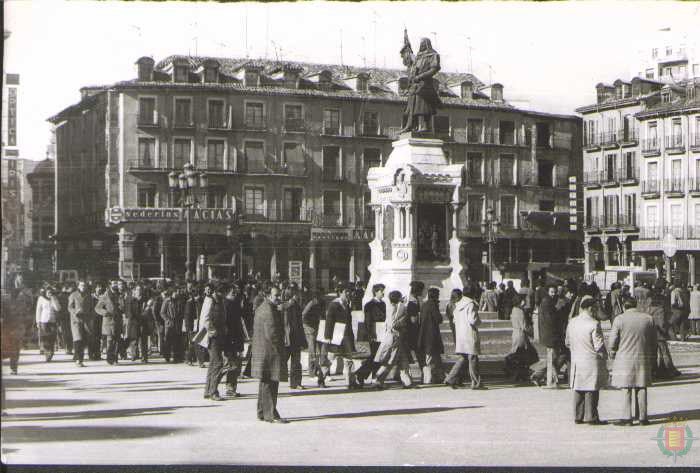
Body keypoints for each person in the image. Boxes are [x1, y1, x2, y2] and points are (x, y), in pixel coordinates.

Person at [609, 298, 656, 426]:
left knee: (626, 387)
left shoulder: (619, 319)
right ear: (636, 305)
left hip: (625, 357)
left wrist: (612, 351)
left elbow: (613, 340)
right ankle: (642, 417)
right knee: (642, 386)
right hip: (643, 356)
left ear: (624, 306)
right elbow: (653, 340)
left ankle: (627, 418)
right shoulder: (648, 319)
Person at [565, 296, 608, 425]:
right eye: (595, 309)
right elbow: (598, 345)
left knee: (578, 387)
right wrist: (605, 357)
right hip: (591, 360)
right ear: (590, 308)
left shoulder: (572, 322)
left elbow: (567, 342)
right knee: (591, 389)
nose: (595, 311)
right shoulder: (594, 324)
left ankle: (578, 416)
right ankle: (591, 416)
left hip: (577, 359)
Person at [251, 285, 289, 423]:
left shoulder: (263, 307)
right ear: (268, 296)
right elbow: (272, 334)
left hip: (263, 351)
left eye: (279, 295)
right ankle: (271, 414)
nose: (279, 298)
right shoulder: (269, 311)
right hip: (270, 352)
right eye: (276, 296)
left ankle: (262, 411)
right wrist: (282, 347)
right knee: (271, 381)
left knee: (265, 382)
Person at [398, 33, 442, 133]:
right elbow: (412, 64)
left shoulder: (433, 55)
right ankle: (412, 126)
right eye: (420, 43)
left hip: (425, 85)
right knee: (412, 106)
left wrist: (420, 76)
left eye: (423, 43)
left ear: (427, 44)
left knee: (422, 106)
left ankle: (423, 126)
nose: (421, 45)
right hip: (415, 85)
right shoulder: (418, 57)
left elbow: (433, 69)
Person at [445, 285, 485, 389]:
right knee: (473, 358)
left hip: (460, 334)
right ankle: (476, 382)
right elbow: (473, 320)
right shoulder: (470, 304)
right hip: (469, 333)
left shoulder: (457, 304)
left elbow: (454, 320)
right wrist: (479, 321)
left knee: (463, 358)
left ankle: (450, 378)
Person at [373, 290, 414, 389]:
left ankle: (407, 381)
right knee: (390, 361)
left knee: (402, 360)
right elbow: (395, 323)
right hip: (395, 338)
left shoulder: (391, 307)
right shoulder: (400, 308)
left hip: (395, 338)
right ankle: (378, 379)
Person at [320, 282, 359, 389]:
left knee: (349, 359)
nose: (349, 294)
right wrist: (328, 336)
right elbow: (329, 321)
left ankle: (351, 382)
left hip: (346, 337)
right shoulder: (334, 305)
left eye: (349, 292)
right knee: (329, 359)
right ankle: (321, 378)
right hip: (336, 336)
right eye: (346, 292)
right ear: (340, 292)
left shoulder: (347, 305)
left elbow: (349, 322)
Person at [355, 284, 386, 385]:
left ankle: (374, 377)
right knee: (373, 356)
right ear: (376, 292)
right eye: (382, 291)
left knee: (378, 356)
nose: (383, 293)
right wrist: (371, 334)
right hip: (374, 334)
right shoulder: (369, 305)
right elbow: (367, 321)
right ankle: (360, 374)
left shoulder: (383, 304)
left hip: (382, 333)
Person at [504, 295, 539, 382]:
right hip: (521, 335)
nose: (525, 302)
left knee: (520, 356)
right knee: (524, 356)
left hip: (516, 333)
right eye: (523, 301)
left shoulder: (514, 310)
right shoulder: (520, 311)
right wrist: (532, 332)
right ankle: (518, 373)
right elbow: (524, 326)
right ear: (519, 301)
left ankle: (519, 374)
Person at [203, 283, 227, 401]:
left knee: (213, 363)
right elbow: (205, 319)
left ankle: (208, 390)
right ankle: (213, 391)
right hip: (212, 337)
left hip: (220, 335)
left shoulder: (220, 301)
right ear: (218, 292)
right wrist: (213, 331)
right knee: (217, 363)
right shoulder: (210, 301)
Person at [417, 287, 444, 384]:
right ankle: (428, 379)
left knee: (432, 357)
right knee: (430, 358)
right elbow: (439, 319)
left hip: (425, 333)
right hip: (431, 334)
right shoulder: (433, 305)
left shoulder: (424, 304)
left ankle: (437, 377)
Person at [281, 288, 307, 389]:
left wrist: (302, 339)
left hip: (294, 338)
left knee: (296, 362)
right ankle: (273, 380)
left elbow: (299, 324)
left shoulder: (296, 306)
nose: (299, 296)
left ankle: (296, 382)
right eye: (297, 294)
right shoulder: (285, 306)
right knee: (283, 361)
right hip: (287, 338)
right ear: (292, 295)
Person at [94, 280, 123, 365]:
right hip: (109, 321)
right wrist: (105, 312)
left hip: (118, 321)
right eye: (114, 283)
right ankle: (110, 359)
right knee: (110, 341)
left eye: (117, 283)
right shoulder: (105, 296)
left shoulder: (119, 295)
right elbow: (97, 308)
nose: (116, 285)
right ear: (110, 285)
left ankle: (115, 358)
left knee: (117, 340)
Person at [301, 290, 325, 386]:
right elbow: (303, 314)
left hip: (316, 327)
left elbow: (322, 315)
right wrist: (307, 326)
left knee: (317, 350)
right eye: (321, 295)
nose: (322, 297)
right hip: (310, 328)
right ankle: (311, 372)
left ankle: (315, 370)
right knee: (312, 350)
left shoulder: (321, 303)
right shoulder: (312, 303)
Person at [538, 286, 560, 387]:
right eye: (551, 292)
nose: (553, 294)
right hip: (549, 333)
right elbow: (550, 319)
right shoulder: (547, 302)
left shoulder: (548, 301)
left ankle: (551, 379)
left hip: (548, 333)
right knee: (552, 357)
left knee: (552, 357)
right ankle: (547, 378)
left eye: (554, 292)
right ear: (548, 292)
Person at [68, 281, 93, 367]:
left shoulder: (89, 296)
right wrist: (75, 312)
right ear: (78, 286)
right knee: (78, 339)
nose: (83, 286)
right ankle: (78, 359)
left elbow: (91, 307)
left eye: (84, 285)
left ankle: (79, 358)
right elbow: (70, 307)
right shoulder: (73, 295)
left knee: (84, 340)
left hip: (86, 320)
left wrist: (90, 316)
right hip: (76, 320)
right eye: (81, 285)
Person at [36, 287, 61, 362]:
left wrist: (53, 299)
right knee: (45, 338)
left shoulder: (54, 298)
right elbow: (38, 310)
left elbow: (58, 308)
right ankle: (47, 354)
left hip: (52, 321)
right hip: (44, 321)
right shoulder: (41, 298)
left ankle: (51, 352)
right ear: (45, 292)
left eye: (50, 292)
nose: (49, 293)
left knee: (52, 338)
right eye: (48, 292)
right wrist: (38, 321)